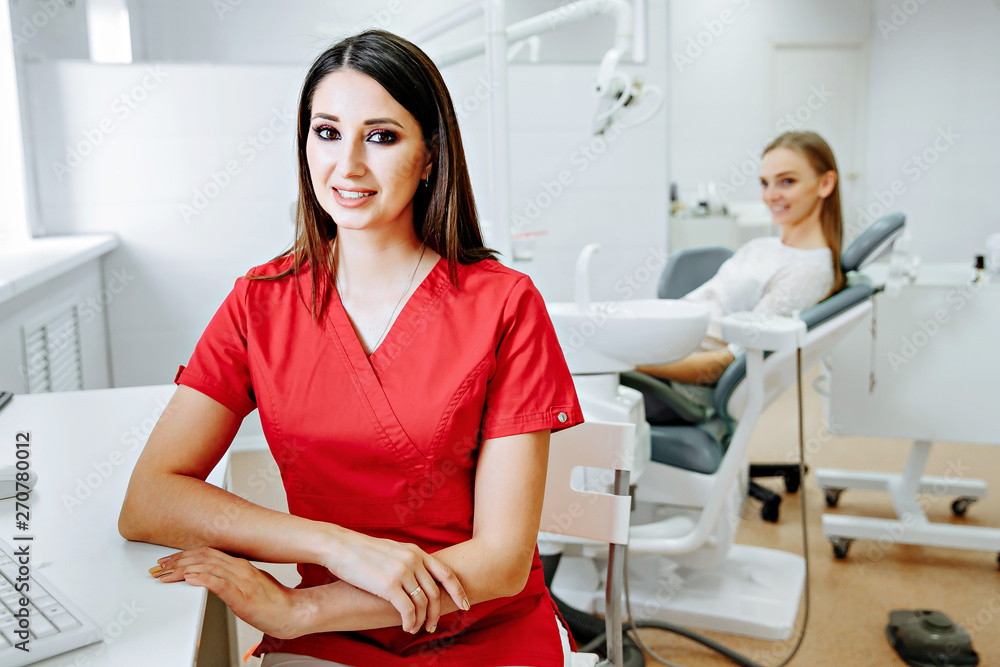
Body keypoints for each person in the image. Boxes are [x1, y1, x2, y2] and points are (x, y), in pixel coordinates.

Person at [118, 29, 584, 667]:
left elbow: (501, 563)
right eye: (327, 132)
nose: (349, 166)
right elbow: (149, 500)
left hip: (476, 630)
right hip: (334, 642)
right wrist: (334, 546)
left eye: (382, 136)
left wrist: (302, 609)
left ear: (430, 156)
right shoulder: (260, 301)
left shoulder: (504, 304)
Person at [635, 131, 842, 423]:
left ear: (825, 184)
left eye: (787, 182)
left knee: (572, 384)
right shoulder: (764, 246)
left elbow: (726, 363)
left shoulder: (807, 273)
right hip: (654, 345)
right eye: (764, 183)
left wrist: (633, 360)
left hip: (672, 385)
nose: (770, 196)